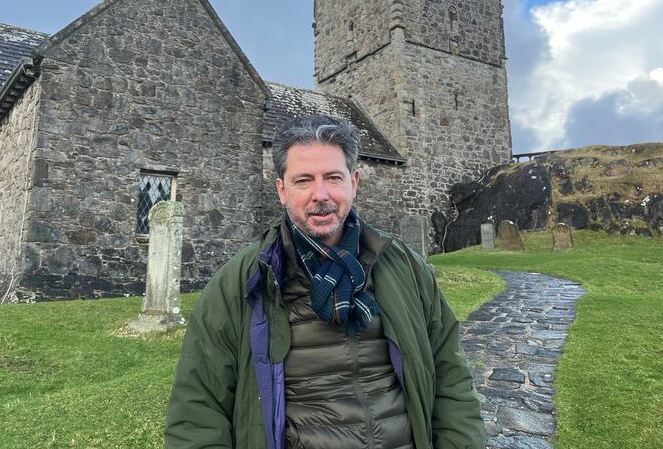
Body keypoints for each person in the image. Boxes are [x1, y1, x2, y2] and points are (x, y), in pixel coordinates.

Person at [165, 115, 485, 448]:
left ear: (354, 183)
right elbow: (197, 413)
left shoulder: (404, 267)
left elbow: (452, 380)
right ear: (282, 190)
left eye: (333, 177)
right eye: (303, 180)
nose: (321, 194)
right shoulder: (241, 282)